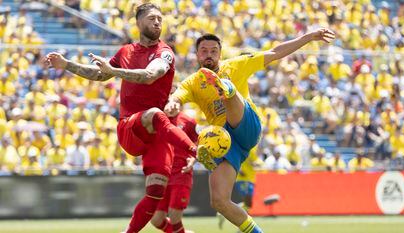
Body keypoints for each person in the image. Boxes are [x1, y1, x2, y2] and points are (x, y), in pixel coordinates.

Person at [45, 3, 202, 233]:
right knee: (156, 114)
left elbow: (150, 75)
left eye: (160, 18)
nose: (157, 22)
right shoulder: (126, 51)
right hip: (132, 128)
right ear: (138, 23)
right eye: (151, 18)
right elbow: (100, 74)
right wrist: (67, 64)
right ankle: (196, 151)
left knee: (156, 191)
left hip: (158, 133)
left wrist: (114, 71)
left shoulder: (165, 52)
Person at [165, 29, 335, 233]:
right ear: (197, 55)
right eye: (204, 51)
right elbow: (177, 96)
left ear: (220, 53)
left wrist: (307, 37)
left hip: (246, 125)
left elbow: (275, 52)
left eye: (213, 50)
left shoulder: (237, 65)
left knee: (228, 93)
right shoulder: (192, 82)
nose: (209, 54)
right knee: (219, 201)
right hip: (227, 143)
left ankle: (227, 89)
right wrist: (173, 104)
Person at [151, 111, 197, 233]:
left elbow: (197, 145)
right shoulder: (155, 120)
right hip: (163, 174)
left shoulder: (188, 121)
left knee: (174, 216)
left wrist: (193, 160)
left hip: (181, 173)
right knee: (156, 219)